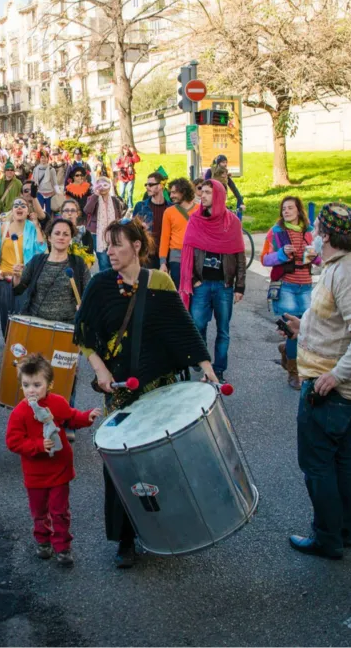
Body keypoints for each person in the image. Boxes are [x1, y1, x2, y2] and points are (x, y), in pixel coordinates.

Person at [74, 217, 216, 568]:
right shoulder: (100, 285)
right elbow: (82, 334)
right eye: (107, 245)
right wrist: (100, 370)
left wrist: (208, 369)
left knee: (162, 461)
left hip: (160, 385)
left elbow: (182, 330)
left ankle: (165, 527)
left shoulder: (160, 282)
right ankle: (125, 540)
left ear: (136, 246)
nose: (110, 252)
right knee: (121, 465)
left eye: (117, 244)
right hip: (121, 392)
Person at [279, 203, 351, 560]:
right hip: (333, 385)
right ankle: (342, 531)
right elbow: (337, 323)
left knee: (317, 463)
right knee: (340, 458)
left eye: (317, 229)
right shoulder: (338, 266)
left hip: (331, 390)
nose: (313, 236)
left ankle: (327, 538)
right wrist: (302, 327)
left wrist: (336, 375)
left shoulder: (346, 272)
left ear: (326, 235)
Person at [5, 353, 102, 566]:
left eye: (37, 385)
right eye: (26, 385)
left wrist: (86, 417)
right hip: (35, 474)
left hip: (59, 469)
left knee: (60, 511)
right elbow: (13, 442)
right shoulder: (20, 412)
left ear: (49, 384)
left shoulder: (57, 403)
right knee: (39, 511)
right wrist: (38, 445)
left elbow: (71, 417)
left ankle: (62, 546)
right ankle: (43, 540)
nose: (31, 390)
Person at [180, 180, 246, 382]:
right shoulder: (196, 220)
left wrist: (240, 286)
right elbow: (187, 251)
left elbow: (240, 256)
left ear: (218, 196)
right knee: (197, 324)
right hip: (202, 284)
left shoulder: (232, 222)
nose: (203, 195)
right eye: (202, 192)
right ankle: (201, 359)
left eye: (208, 192)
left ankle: (218, 370)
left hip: (224, 286)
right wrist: (193, 280)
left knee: (223, 330)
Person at [261, 196, 319, 390]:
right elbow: (265, 259)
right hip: (286, 285)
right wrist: (281, 254)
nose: (286, 211)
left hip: (306, 285)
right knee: (294, 331)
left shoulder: (310, 232)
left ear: (299, 210)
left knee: (305, 330)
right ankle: (294, 373)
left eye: (290, 208)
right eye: (284, 208)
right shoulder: (276, 231)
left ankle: (287, 350)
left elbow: (319, 259)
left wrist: (315, 257)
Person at [0, 199, 48, 338]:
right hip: (3, 278)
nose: (19, 208)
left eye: (23, 206)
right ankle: (8, 344)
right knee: (6, 315)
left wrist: (37, 226)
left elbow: (40, 249)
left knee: (22, 315)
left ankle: (20, 345)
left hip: (24, 279)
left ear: (28, 211)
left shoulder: (31, 228)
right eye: (16, 205)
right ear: (12, 210)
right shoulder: (0, 229)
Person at [13, 217, 88, 326]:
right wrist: (16, 277)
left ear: (70, 239)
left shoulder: (78, 263)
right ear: (49, 237)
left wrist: (84, 306)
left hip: (67, 326)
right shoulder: (36, 261)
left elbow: (89, 292)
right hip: (36, 323)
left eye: (66, 234)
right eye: (57, 233)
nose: (61, 237)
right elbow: (18, 290)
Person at [159, 178, 199, 287]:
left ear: (183, 192)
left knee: (197, 292)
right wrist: (163, 263)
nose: (171, 196)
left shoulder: (199, 210)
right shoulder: (169, 212)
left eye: (174, 192)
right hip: (176, 258)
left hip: (196, 256)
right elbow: (164, 238)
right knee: (179, 290)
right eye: (170, 193)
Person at [84, 176, 126, 272]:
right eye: (100, 185)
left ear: (109, 186)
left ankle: (114, 278)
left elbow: (119, 215)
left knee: (114, 258)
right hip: (97, 234)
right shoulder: (92, 198)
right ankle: (105, 278)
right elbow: (87, 210)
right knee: (103, 260)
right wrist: (95, 195)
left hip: (113, 232)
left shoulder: (115, 200)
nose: (102, 188)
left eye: (105, 185)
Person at [134, 172, 172, 268]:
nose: (147, 187)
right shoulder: (140, 206)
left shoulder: (171, 208)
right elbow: (132, 231)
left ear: (160, 186)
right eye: (146, 185)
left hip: (166, 255)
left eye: (150, 185)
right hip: (147, 255)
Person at [58, 200, 95, 270]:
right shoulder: (56, 234)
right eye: (66, 210)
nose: (69, 213)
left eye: (73, 210)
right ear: (62, 214)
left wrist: (81, 274)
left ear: (77, 214)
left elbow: (90, 260)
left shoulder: (85, 233)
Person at [31, 152, 60, 219]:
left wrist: (58, 193)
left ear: (48, 158)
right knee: (39, 212)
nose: (43, 159)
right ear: (40, 158)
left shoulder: (51, 169)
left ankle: (49, 224)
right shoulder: (36, 169)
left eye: (45, 157)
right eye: (42, 157)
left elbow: (55, 183)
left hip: (50, 194)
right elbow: (33, 181)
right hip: (39, 193)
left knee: (49, 213)